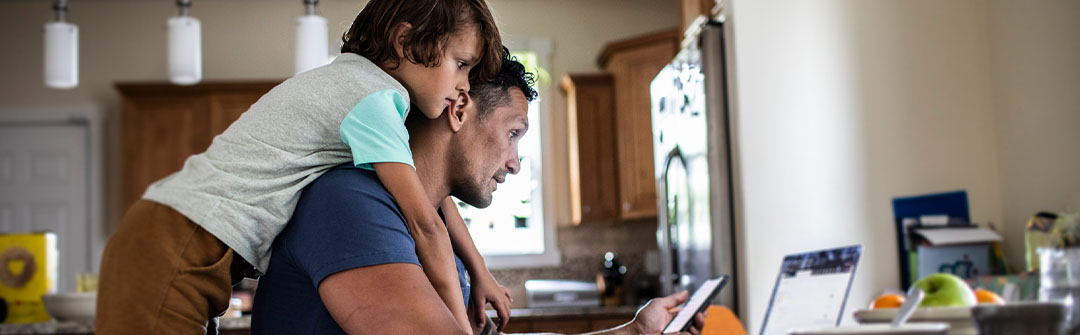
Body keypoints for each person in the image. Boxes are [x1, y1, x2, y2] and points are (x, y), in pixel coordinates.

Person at [96, 1, 510, 333]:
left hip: (183, 243)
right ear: (405, 42)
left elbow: (430, 198)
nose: (465, 85)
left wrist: (480, 271)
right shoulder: (374, 101)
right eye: (461, 64)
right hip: (174, 244)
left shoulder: (361, 89)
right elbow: (425, 225)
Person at [250, 54, 707, 335]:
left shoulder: (433, 222)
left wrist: (631, 333)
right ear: (459, 109)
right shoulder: (349, 204)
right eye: (512, 133)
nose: (514, 161)